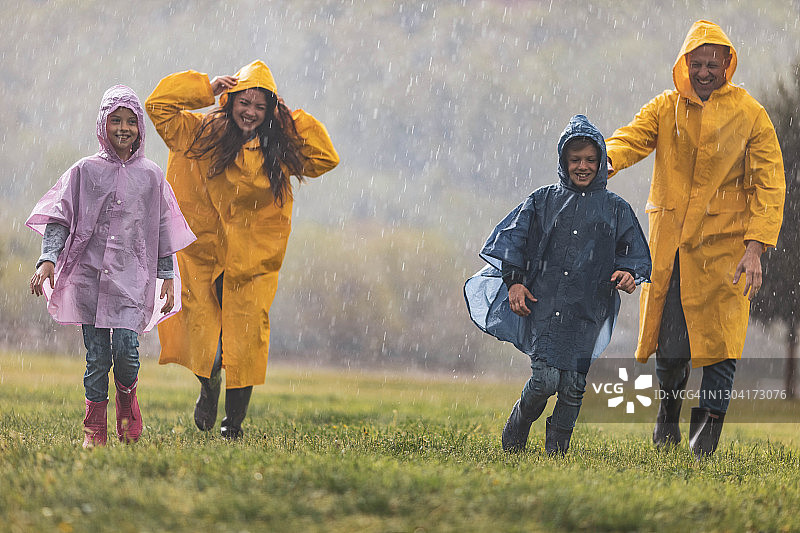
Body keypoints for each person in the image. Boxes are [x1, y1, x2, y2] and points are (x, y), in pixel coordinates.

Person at [605, 20, 786, 458]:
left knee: (722, 351)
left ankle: (703, 446)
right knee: (671, 348)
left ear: (728, 63)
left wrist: (755, 247)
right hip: (672, 252)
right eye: (697, 64)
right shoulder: (665, 109)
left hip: (727, 255)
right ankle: (667, 421)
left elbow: (770, 184)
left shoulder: (751, 115)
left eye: (712, 64)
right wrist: (601, 159)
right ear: (684, 64)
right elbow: (631, 138)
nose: (705, 72)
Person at [146, 60, 339, 440]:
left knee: (244, 343)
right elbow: (159, 106)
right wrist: (205, 89)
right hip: (204, 257)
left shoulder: (279, 147)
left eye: (260, 106)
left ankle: (232, 426)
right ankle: (208, 388)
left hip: (251, 264)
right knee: (206, 339)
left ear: (269, 111)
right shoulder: (202, 134)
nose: (250, 112)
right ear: (230, 100)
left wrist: (287, 118)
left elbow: (325, 158)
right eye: (243, 102)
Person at [465, 115, 651, 454]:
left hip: (587, 310)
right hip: (545, 305)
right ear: (564, 161)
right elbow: (514, 243)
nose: (582, 166)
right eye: (575, 159)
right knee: (545, 379)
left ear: (602, 162)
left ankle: (558, 447)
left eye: (590, 160)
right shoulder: (542, 201)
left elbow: (633, 252)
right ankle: (520, 422)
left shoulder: (616, 209)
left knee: (573, 386)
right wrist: (515, 283)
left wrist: (627, 273)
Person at [27, 85, 196, 448]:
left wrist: (167, 277)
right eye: (115, 120)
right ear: (103, 124)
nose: (123, 128)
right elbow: (60, 218)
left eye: (130, 121)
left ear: (140, 129)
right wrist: (48, 259)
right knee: (98, 357)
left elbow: (161, 230)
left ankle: (127, 400)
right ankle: (94, 431)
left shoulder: (151, 176)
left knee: (126, 351)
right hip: (88, 279)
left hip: (132, 280)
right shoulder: (84, 171)